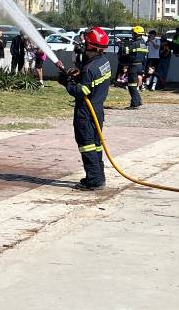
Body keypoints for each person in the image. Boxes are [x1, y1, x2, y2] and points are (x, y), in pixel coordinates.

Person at [58, 26, 111, 191]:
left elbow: (82, 91)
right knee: (96, 145)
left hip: (86, 113)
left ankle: (94, 180)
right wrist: (77, 73)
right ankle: (98, 175)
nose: (81, 44)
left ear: (91, 46)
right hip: (98, 109)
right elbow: (91, 81)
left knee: (86, 144)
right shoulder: (103, 62)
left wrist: (68, 82)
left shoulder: (89, 69)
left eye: (84, 42)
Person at [119, 26, 147, 109]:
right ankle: (138, 100)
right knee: (134, 85)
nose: (132, 35)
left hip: (133, 66)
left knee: (131, 85)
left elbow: (125, 51)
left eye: (133, 33)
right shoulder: (143, 43)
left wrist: (121, 44)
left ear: (135, 34)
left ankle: (135, 104)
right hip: (140, 65)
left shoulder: (134, 43)